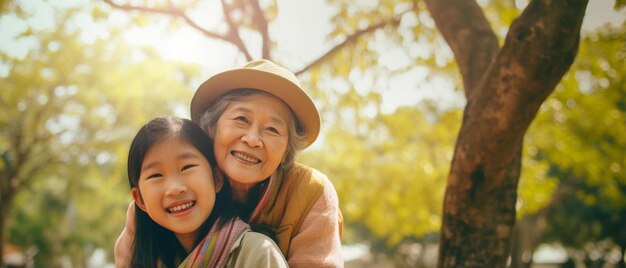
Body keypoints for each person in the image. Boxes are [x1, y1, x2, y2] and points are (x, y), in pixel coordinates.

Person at [116, 60, 344, 267]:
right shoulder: (163, 198)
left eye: (273, 129)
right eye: (241, 119)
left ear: (286, 151)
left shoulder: (311, 193)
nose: (253, 140)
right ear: (211, 127)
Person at [125, 116, 287, 267]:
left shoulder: (257, 253)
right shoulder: (145, 261)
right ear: (139, 199)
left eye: (187, 167)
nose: (174, 188)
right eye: (156, 175)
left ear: (216, 178)